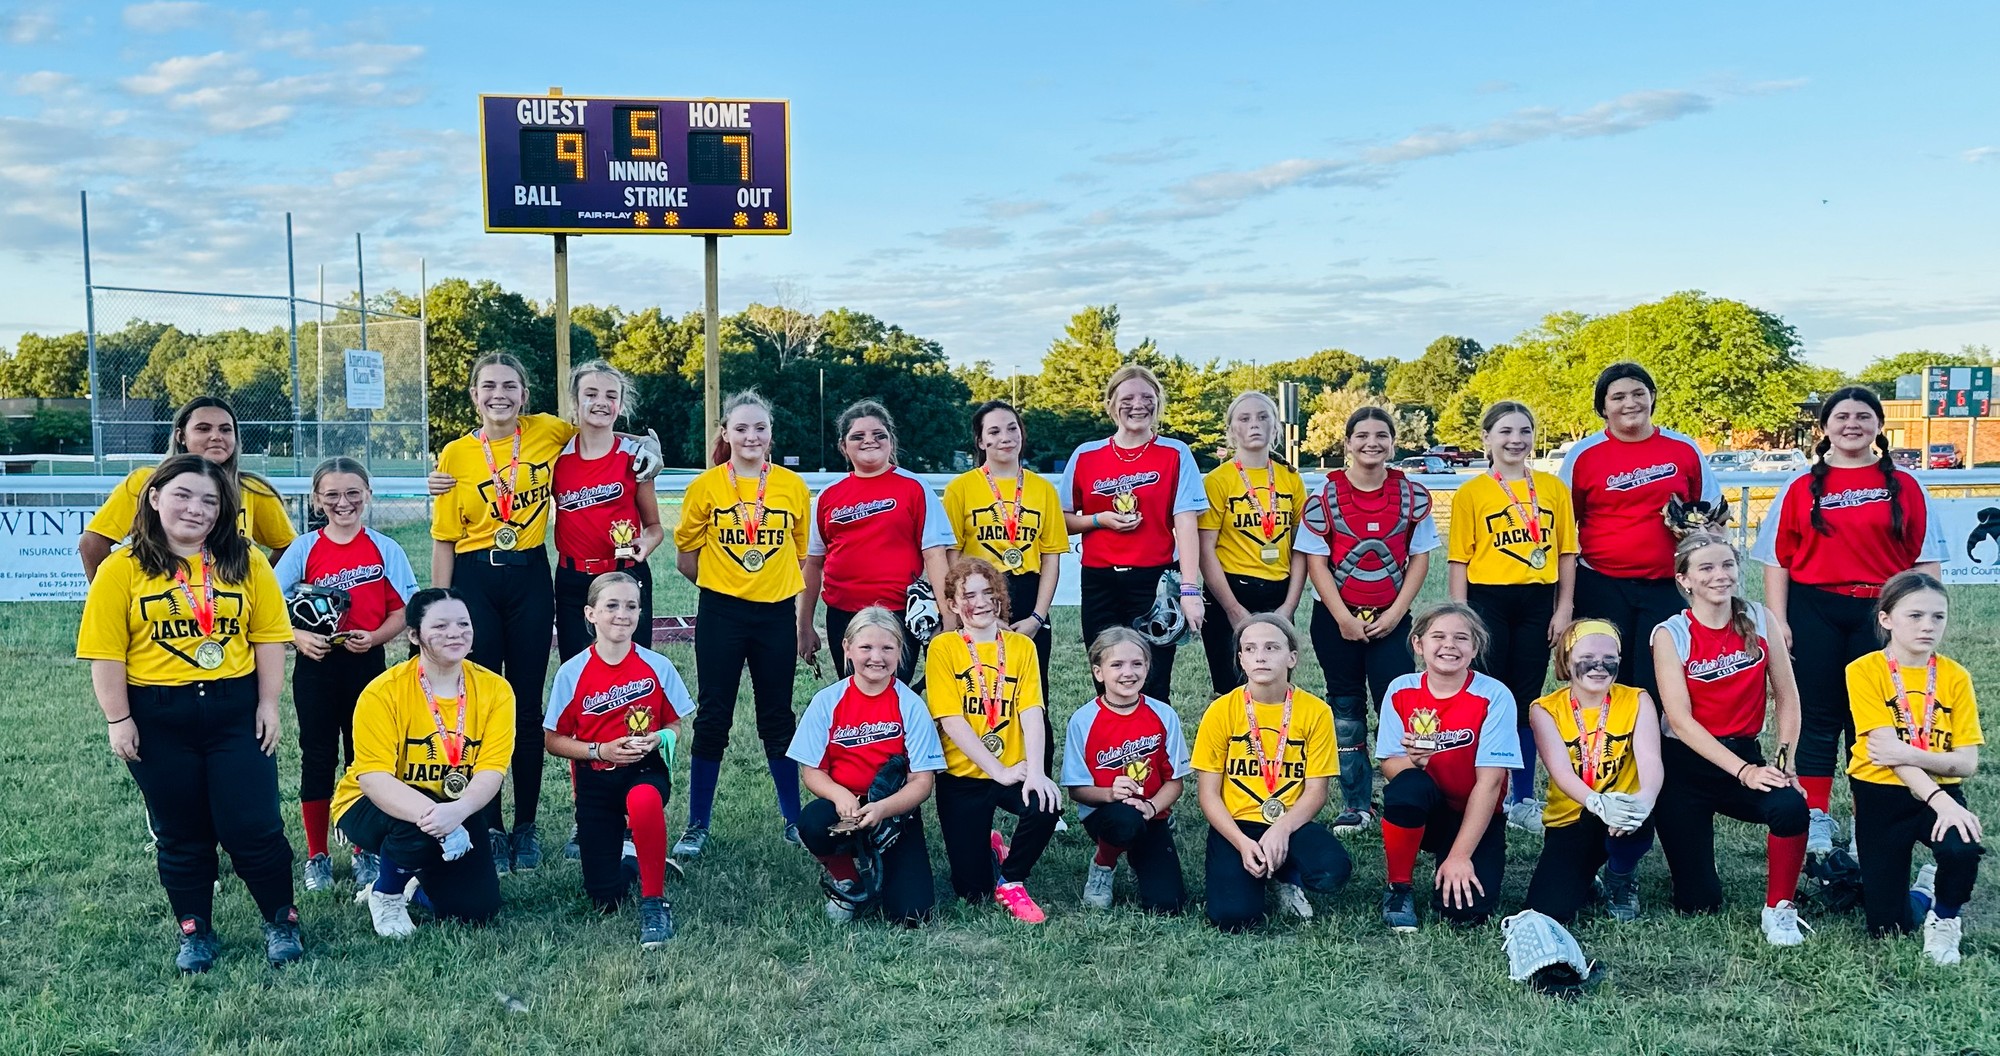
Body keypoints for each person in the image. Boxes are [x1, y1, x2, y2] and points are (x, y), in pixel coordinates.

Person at [429, 353, 662, 874]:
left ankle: (527, 825)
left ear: (525, 395)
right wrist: (439, 605)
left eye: (510, 386)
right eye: (489, 386)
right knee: (480, 701)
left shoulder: (547, 432)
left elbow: (606, 431)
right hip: (475, 577)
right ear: (474, 394)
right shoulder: (455, 454)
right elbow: (443, 538)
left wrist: (649, 448)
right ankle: (488, 824)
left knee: (528, 703)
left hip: (532, 576)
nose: (500, 395)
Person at [78, 454, 300, 971]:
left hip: (234, 711)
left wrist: (269, 703)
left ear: (223, 510)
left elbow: (268, 637)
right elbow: (106, 653)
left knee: (253, 825)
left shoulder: (245, 560)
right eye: (182, 495)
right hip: (158, 716)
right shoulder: (121, 569)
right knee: (181, 831)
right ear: (155, 498)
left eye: (209, 500)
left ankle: (281, 920)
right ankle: (195, 929)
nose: (195, 509)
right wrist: (118, 719)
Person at [1754, 386, 1945, 858]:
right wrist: (1779, 621)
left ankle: (1868, 820)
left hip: (1882, 613)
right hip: (1815, 607)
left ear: (1879, 425)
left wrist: (1922, 619)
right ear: (1825, 427)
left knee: (1873, 718)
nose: (1852, 424)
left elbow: (1925, 559)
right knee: (1817, 716)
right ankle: (1816, 815)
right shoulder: (1801, 485)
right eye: (1841, 416)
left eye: (1863, 416)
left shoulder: (1905, 485)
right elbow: (1777, 559)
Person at [1650, 529, 1812, 946]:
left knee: (1791, 806)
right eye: (1706, 568)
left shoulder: (1760, 618)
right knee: (1698, 902)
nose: (1719, 575)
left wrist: (1783, 764)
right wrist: (1744, 772)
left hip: (1744, 753)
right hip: (1685, 768)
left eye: (1727, 565)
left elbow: (1788, 697)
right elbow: (1680, 722)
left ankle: (1780, 908)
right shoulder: (1670, 633)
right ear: (1684, 579)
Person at [672, 391, 812, 859]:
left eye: (760, 428)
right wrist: (725, 584)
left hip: (775, 615)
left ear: (771, 434)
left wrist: (767, 585)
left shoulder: (791, 486)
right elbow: (686, 558)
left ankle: (793, 820)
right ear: (726, 433)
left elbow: (797, 552)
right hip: (722, 613)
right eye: (741, 428)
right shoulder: (707, 486)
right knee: (714, 716)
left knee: (778, 716)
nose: (751, 436)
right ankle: (697, 824)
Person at [272, 457, 419, 895]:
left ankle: (363, 847)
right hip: (316, 666)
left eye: (353, 493)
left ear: (368, 495)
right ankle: (317, 854)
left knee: (366, 757)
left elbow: (404, 610)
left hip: (367, 666)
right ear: (317, 499)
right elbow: (269, 605)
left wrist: (375, 638)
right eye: (332, 494)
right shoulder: (304, 548)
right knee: (317, 756)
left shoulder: (385, 548)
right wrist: (298, 636)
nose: (343, 502)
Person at [333, 588, 513, 938]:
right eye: (440, 626)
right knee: (417, 827)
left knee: (477, 909)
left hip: (451, 805)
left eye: (463, 624)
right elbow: (373, 778)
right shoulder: (384, 692)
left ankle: (413, 883)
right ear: (414, 635)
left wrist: (458, 812)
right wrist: (440, 819)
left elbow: (492, 770)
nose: (455, 633)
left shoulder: (496, 690)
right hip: (371, 803)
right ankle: (387, 893)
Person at [1298, 406, 1441, 835]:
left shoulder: (1411, 496)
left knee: (1398, 707)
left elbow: (1420, 558)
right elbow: (1316, 562)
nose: (1371, 443)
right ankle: (1356, 804)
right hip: (1335, 620)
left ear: (1394, 443)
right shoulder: (1324, 497)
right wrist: (1343, 617)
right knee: (1345, 710)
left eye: (1381, 435)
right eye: (1362, 435)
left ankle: (1409, 798)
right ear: (1347, 443)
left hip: (1391, 619)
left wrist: (1396, 614)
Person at [1448, 400, 1579, 835]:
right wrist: (1461, 618)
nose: (1516, 440)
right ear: (1486, 438)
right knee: (1485, 696)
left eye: (1524, 431)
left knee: (1525, 699)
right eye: (1505, 431)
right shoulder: (1472, 493)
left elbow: (1566, 553)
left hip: (1537, 601)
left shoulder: (1553, 489)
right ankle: (1478, 789)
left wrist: (1563, 607)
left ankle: (1521, 797)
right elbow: (1459, 560)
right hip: (1487, 600)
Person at [543, 573, 692, 948]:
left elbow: (675, 725)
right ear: (590, 613)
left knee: (643, 799)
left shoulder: (657, 665)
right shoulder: (572, 672)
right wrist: (600, 750)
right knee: (605, 898)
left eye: (631, 606)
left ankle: (655, 902)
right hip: (595, 777)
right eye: (611, 605)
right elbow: (553, 740)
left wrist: (659, 738)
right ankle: (638, 857)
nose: (622, 614)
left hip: (644, 769)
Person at [1560, 361, 1719, 703]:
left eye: (1638, 393)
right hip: (1601, 583)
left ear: (1652, 397)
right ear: (1603, 407)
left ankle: (1652, 739)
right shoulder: (1583, 455)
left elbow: (1711, 514)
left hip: (1666, 585)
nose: (1629, 403)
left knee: (1658, 678)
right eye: (1617, 397)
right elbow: (1562, 527)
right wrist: (1564, 599)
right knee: (1603, 675)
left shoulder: (1683, 448)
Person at [1846, 571, 1983, 964]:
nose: (1928, 626)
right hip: (1880, 792)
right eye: (1915, 615)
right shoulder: (1864, 670)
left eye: (1938, 617)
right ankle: (1924, 891)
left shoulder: (1955, 676)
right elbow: (1883, 756)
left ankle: (1945, 918)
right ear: (1886, 619)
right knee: (1887, 927)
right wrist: (1939, 797)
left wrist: (1910, 756)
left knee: (1961, 847)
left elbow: (1967, 762)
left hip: (1942, 790)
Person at [788, 606, 946, 926]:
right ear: (847, 649)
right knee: (812, 823)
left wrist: (883, 808)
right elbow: (812, 771)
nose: (877, 657)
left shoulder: (911, 705)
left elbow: (921, 783)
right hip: (844, 807)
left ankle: (879, 857)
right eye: (866, 647)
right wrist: (839, 795)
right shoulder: (827, 701)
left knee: (912, 915)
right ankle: (846, 877)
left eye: (887, 648)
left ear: (900, 651)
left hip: (894, 810)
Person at [1192, 614, 1350, 930]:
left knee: (1331, 871)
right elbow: (1208, 794)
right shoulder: (1221, 711)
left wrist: (1282, 830)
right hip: (1237, 824)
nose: (1260, 656)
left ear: (1292, 657)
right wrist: (1241, 842)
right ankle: (1256, 869)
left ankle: (1287, 877)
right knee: (1233, 917)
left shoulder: (1316, 711)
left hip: (1290, 822)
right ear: (1241, 659)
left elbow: (1316, 791)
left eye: (1271, 647)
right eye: (1250, 649)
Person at [1061, 364, 1207, 703]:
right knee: (1107, 676)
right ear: (1111, 404)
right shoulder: (1086, 454)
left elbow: (1186, 522)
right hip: (1100, 580)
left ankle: (1154, 738)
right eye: (1127, 398)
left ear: (1159, 402)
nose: (1138, 405)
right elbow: (1062, 520)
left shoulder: (1175, 453)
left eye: (1147, 397)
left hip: (1155, 581)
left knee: (1153, 678)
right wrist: (1099, 520)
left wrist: (1189, 589)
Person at [925, 557, 1059, 923]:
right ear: (953, 605)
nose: (981, 602)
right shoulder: (943, 648)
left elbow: (1032, 712)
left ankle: (1012, 880)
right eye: (969, 595)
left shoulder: (1021, 647)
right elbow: (952, 722)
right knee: (971, 892)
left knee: (1045, 804)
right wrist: (997, 770)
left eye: (988, 592)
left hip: (1013, 769)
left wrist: (1036, 772)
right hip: (963, 777)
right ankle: (992, 847)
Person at [1375, 604, 1521, 931]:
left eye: (1461, 638)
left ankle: (1455, 854)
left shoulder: (1494, 695)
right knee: (1408, 786)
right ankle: (1398, 887)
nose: (1449, 645)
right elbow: (1389, 766)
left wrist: (1460, 856)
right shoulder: (1401, 689)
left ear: (1475, 647)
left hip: (1477, 810)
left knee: (1464, 912)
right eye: (1438, 636)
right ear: (1418, 644)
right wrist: (1415, 761)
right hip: (1429, 810)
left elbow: (1490, 783)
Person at [800, 400, 954, 685]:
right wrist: (804, 626)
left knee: (893, 691)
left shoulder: (915, 487)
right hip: (844, 614)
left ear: (891, 441)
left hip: (897, 613)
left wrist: (949, 617)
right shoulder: (828, 495)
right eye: (858, 436)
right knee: (854, 691)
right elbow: (814, 563)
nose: (869, 441)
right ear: (843, 446)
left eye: (879, 434)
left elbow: (934, 556)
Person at [1522, 620, 1661, 925]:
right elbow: (1561, 772)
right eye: (1587, 658)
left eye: (1609, 658)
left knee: (1633, 813)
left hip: (1622, 814)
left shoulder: (1637, 699)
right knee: (1548, 911)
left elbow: (1651, 759)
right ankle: (1586, 878)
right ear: (1566, 659)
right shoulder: (1544, 709)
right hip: (1572, 817)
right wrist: (1597, 803)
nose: (1599, 666)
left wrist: (1645, 801)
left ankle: (1621, 876)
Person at [943, 400, 1069, 730]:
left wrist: (1037, 618)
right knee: (981, 686)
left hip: (1028, 594)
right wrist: (969, 611)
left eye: (1012, 428)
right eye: (994, 431)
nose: (1005, 438)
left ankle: (1036, 760)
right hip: (978, 595)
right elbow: (952, 558)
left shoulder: (1043, 489)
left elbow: (1051, 558)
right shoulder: (960, 488)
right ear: (981, 440)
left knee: (1032, 691)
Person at [79, 395, 295, 581]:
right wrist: (113, 595)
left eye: (225, 429)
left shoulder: (252, 489)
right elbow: (92, 542)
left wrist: (257, 586)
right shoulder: (145, 482)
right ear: (181, 436)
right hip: (160, 607)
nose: (216, 436)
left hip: (227, 609)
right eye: (203, 429)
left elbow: (290, 549)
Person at [1063, 627, 1191, 914]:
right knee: (1124, 820)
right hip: (1106, 815)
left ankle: (1139, 859)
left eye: (1137, 664)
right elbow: (1076, 790)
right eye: (1117, 665)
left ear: (1147, 667)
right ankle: (1103, 865)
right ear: (1099, 673)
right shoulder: (1083, 720)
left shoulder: (1164, 714)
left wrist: (1151, 807)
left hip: (1151, 812)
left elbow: (1175, 783)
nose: (1128, 673)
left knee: (1167, 905)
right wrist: (1110, 793)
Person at [553, 360, 665, 661]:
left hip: (625, 575)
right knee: (578, 669)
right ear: (575, 400)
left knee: (631, 667)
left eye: (611, 396)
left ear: (621, 404)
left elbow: (654, 526)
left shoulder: (636, 457)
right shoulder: (556, 456)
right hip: (573, 579)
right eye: (591, 394)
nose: (601, 402)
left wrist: (647, 543)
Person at [1197, 390, 1307, 696]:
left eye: (1262, 417)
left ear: (1275, 427)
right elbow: (1206, 550)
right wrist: (1233, 609)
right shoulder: (1217, 481)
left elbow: (1301, 548)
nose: (1254, 424)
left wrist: (1289, 606)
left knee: (1273, 688)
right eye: (1244, 419)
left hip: (1278, 592)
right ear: (1232, 430)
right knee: (1232, 690)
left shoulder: (1291, 479)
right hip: (1230, 590)